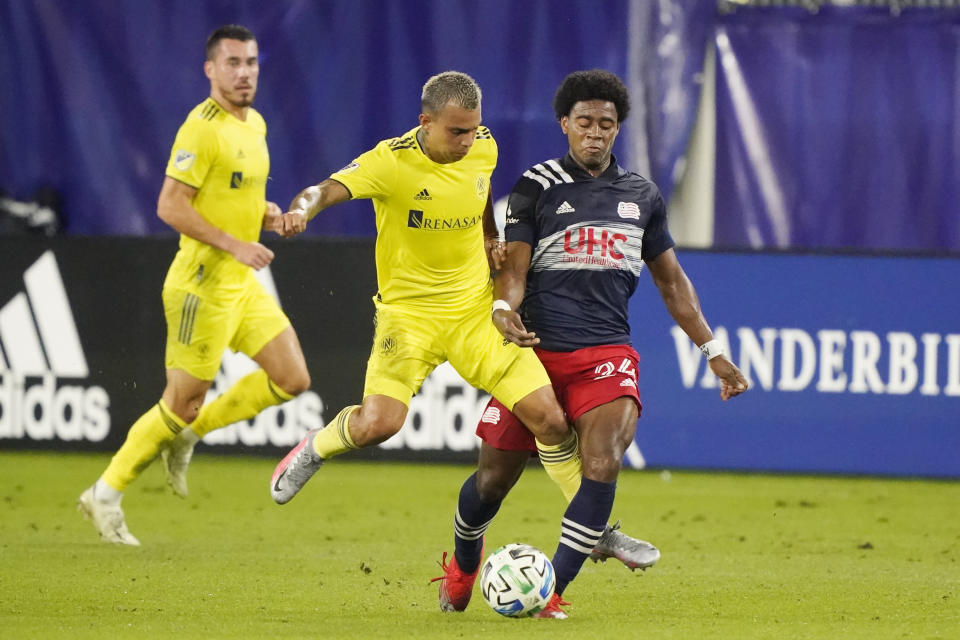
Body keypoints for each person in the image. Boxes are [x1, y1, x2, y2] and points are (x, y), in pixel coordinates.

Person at [432, 70, 749, 619]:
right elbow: (516, 268)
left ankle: (548, 590)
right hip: (533, 355)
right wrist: (503, 309)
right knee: (491, 481)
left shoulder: (642, 196)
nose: (595, 132)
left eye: (606, 123)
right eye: (584, 122)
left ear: (617, 127)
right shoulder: (536, 185)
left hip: (604, 355)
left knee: (602, 461)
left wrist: (712, 352)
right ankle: (463, 563)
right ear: (565, 125)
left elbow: (671, 281)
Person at [268, 72, 588, 513]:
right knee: (377, 425)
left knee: (551, 419)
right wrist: (299, 212)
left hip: (474, 313)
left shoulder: (483, 145)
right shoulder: (389, 163)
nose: (466, 141)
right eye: (456, 131)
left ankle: (594, 526)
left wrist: (490, 234)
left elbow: (481, 188)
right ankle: (315, 447)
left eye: (473, 129)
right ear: (425, 121)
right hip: (409, 317)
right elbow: (321, 191)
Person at [78, 24, 311, 546]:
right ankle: (105, 493)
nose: (244, 72)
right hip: (201, 285)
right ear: (210, 69)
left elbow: (233, 198)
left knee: (292, 378)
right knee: (179, 401)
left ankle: (191, 434)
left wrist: (270, 219)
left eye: (251, 62)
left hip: (240, 285)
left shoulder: (255, 124)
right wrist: (236, 245)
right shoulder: (200, 129)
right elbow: (169, 205)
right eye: (233, 63)